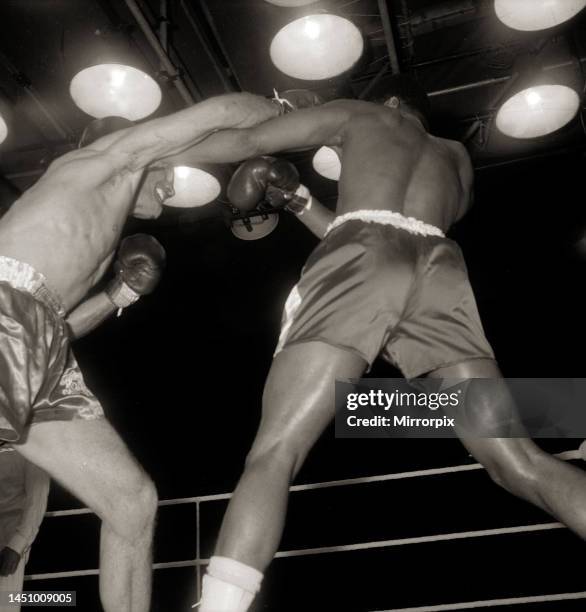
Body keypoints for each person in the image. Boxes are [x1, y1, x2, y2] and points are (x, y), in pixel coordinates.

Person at [178, 76, 586, 611]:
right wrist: (301, 201)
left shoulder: (361, 114)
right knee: (519, 463)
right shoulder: (457, 156)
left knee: (277, 450)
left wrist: (151, 152)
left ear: (389, 101)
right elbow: (402, 229)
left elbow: (254, 144)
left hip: (366, 254)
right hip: (439, 268)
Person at [0, 90, 312, 611]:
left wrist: (118, 295)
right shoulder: (104, 160)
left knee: (131, 503)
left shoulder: (92, 219)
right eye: (166, 169)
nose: (171, 185)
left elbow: (55, 329)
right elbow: (214, 116)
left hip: (41, 340)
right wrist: (286, 111)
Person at [0, 449, 49, 612]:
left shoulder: (31, 444)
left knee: (5, 606)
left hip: (7, 541)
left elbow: (37, 499)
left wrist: (17, 544)